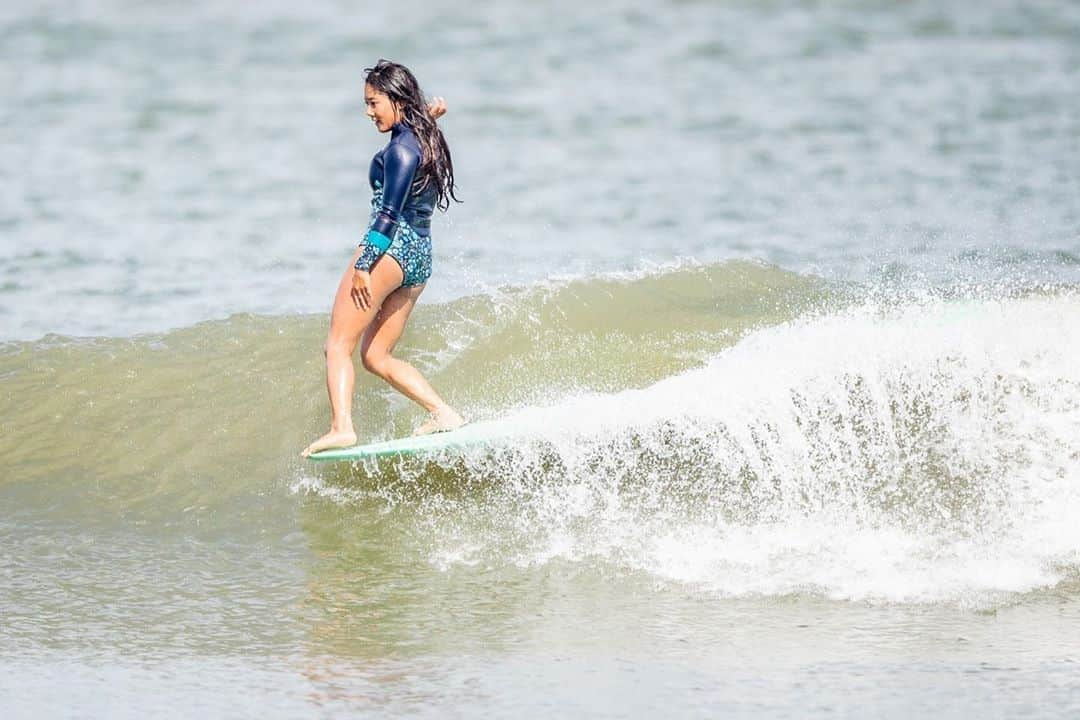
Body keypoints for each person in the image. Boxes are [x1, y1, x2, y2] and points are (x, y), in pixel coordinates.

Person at [302, 60, 464, 458]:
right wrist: (428, 115)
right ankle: (442, 412)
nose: (368, 112)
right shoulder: (423, 136)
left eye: (374, 103)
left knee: (337, 345)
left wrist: (364, 264)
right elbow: (414, 136)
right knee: (375, 355)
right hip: (420, 255)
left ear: (396, 99)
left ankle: (342, 427)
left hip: (389, 249)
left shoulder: (401, 151)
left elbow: (388, 214)